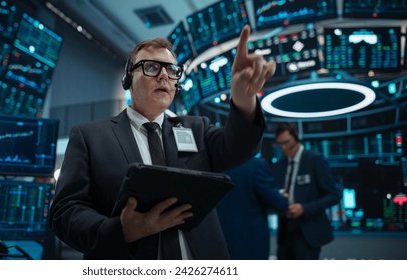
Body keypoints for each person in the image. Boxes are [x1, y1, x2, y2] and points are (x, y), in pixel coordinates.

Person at [48, 25, 276, 260]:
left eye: (172, 70)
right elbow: (64, 213)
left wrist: (243, 99)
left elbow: (239, 148)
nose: (164, 76)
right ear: (128, 78)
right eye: (152, 67)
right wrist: (120, 230)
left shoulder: (196, 128)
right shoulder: (90, 137)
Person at [272, 122, 341, 260]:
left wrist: (305, 208)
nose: (284, 148)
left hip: (308, 230)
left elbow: (334, 195)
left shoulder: (315, 159)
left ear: (297, 137)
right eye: (280, 144)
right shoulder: (280, 164)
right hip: (285, 231)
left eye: (287, 142)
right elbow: (275, 189)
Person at [217, 156, 288, 259]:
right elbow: (276, 201)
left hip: (220, 237)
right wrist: (284, 199)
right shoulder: (255, 165)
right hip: (251, 239)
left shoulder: (213, 165)